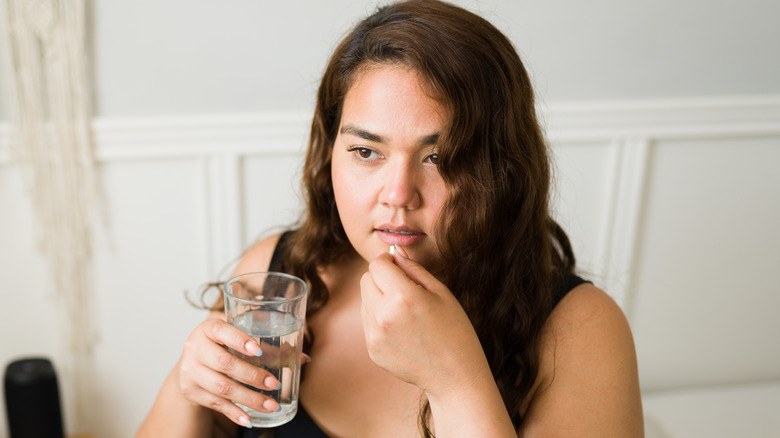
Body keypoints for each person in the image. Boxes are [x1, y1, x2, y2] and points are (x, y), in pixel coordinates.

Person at [137, 1, 643, 437]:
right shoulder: (278, 276)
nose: (398, 195)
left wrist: (456, 381)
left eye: (441, 158)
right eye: (365, 151)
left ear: (504, 170)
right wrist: (187, 387)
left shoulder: (579, 328)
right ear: (329, 151)